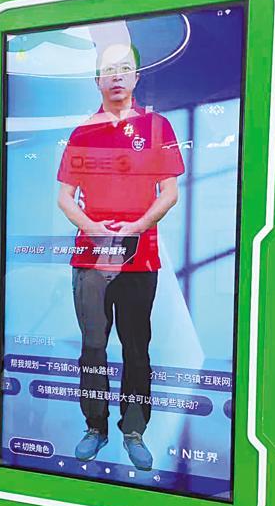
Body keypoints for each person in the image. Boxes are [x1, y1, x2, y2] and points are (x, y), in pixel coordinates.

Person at [57, 39, 185, 471]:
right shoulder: (83, 133)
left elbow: (169, 192)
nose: (116, 77)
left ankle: (134, 430)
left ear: (136, 76)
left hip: (139, 256)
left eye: (124, 69)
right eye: (108, 70)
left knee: (136, 347)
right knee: (93, 346)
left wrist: (135, 227)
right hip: (89, 259)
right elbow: (64, 197)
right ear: (97, 80)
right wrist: (94, 229)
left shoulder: (157, 127)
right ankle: (95, 427)